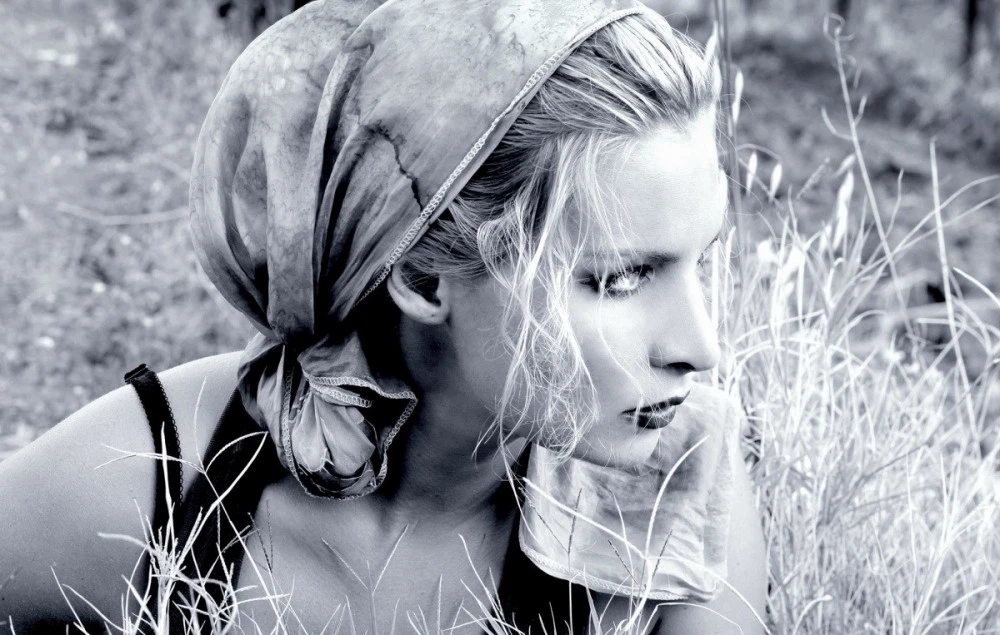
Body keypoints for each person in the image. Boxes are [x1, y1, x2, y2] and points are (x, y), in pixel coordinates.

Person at [0, 0, 767, 632]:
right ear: (426, 279)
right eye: (621, 278)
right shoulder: (156, 482)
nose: (700, 348)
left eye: (698, 260)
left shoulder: (674, 496)